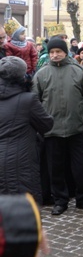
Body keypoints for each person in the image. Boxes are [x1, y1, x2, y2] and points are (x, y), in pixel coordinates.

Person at [32, 37, 83, 215]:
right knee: (56, 168)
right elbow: (35, 102)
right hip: (51, 131)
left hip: (77, 128)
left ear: (65, 52)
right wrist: (39, 126)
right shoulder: (41, 74)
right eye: (52, 52)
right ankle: (60, 200)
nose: (55, 55)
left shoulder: (79, 72)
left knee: (81, 167)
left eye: (58, 52)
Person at [0, 56, 54, 204]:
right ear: (22, 75)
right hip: (21, 161)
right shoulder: (27, 99)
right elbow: (47, 124)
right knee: (24, 208)